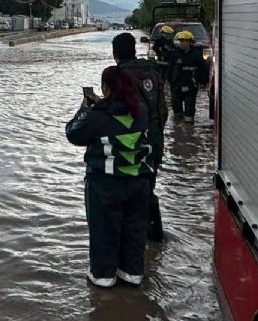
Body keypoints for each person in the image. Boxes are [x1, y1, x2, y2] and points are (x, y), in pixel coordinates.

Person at [66, 65, 154, 288]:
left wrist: (84, 108)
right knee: (134, 231)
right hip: (138, 184)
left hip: (105, 186)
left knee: (104, 231)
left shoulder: (96, 117)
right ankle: (132, 274)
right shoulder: (141, 111)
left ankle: (103, 278)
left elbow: (73, 133)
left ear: (105, 88)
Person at [112, 32, 167, 242]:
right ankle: (155, 240)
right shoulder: (153, 71)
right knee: (148, 186)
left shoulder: (119, 76)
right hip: (154, 139)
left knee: (128, 192)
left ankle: (135, 241)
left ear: (115, 52)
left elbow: (117, 114)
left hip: (131, 144)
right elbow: (164, 110)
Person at [169, 30, 210, 123]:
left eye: (184, 41)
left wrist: (203, 82)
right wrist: (170, 80)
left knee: (189, 110)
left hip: (191, 85)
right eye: (181, 41)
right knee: (176, 109)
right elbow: (170, 68)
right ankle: (177, 131)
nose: (182, 43)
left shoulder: (196, 54)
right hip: (177, 85)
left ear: (190, 42)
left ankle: (189, 127)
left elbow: (203, 69)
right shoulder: (176, 53)